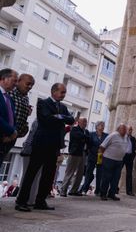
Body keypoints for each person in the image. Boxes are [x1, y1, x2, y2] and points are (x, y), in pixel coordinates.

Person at [15, 83, 75, 212]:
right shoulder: (43, 103)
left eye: (65, 92)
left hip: (54, 146)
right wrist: (60, 118)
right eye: (62, 92)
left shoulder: (63, 107)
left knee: (48, 176)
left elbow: (71, 120)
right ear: (54, 91)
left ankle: (40, 201)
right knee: (31, 173)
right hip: (41, 144)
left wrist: (58, 116)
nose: (64, 95)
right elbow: (46, 119)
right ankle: (21, 201)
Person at [2, 73, 35, 164]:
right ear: (19, 81)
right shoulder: (8, 92)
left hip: (13, 137)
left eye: (32, 85)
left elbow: (20, 116)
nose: (30, 87)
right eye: (28, 83)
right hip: (3, 135)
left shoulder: (26, 98)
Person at [98, 124, 129, 201]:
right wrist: (100, 158)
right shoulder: (113, 135)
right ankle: (103, 194)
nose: (125, 131)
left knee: (116, 178)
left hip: (119, 160)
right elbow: (102, 146)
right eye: (123, 129)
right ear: (118, 129)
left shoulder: (125, 137)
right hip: (109, 159)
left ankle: (111, 194)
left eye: (126, 129)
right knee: (106, 177)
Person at [60, 117, 89, 197]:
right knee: (70, 172)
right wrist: (85, 138)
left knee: (79, 173)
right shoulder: (75, 129)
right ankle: (63, 190)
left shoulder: (86, 131)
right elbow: (79, 137)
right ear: (78, 122)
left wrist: (85, 138)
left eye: (86, 122)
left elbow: (88, 139)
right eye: (83, 122)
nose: (85, 123)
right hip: (75, 153)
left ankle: (73, 190)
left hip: (83, 153)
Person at [81, 121, 108, 195]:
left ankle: (98, 190)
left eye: (103, 125)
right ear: (96, 126)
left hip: (101, 156)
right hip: (92, 155)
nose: (102, 127)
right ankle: (84, 189)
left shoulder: (106, 135)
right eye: (101, 125)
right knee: (89, 173)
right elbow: (88, 144)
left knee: (100, 174)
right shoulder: (91, 134)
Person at [19, 119, 41, 205]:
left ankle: (29, 199)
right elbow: (32, 137)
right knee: (30, 176)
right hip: (32, 150)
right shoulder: (39, 122)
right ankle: (28, 199)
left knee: (31, 176)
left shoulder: (38, 121)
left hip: (32, 150)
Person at [0, 68, 18, 165]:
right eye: (14, 80)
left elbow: (12, 119)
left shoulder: (9, 98)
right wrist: (11, 131)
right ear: (4, 78)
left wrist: (12, 135)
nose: (16, 84)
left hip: (6, 142)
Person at [123, 126, 136, 196]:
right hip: (122, 156)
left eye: (131, 129)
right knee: (117, 172)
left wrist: (133, 156)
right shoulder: (122, 137)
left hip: (129, 157)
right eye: (129, 129)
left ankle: (129, 191)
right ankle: (115, 189)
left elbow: (134, 149)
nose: (130, 131)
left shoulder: (133, 139)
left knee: (129, 174)